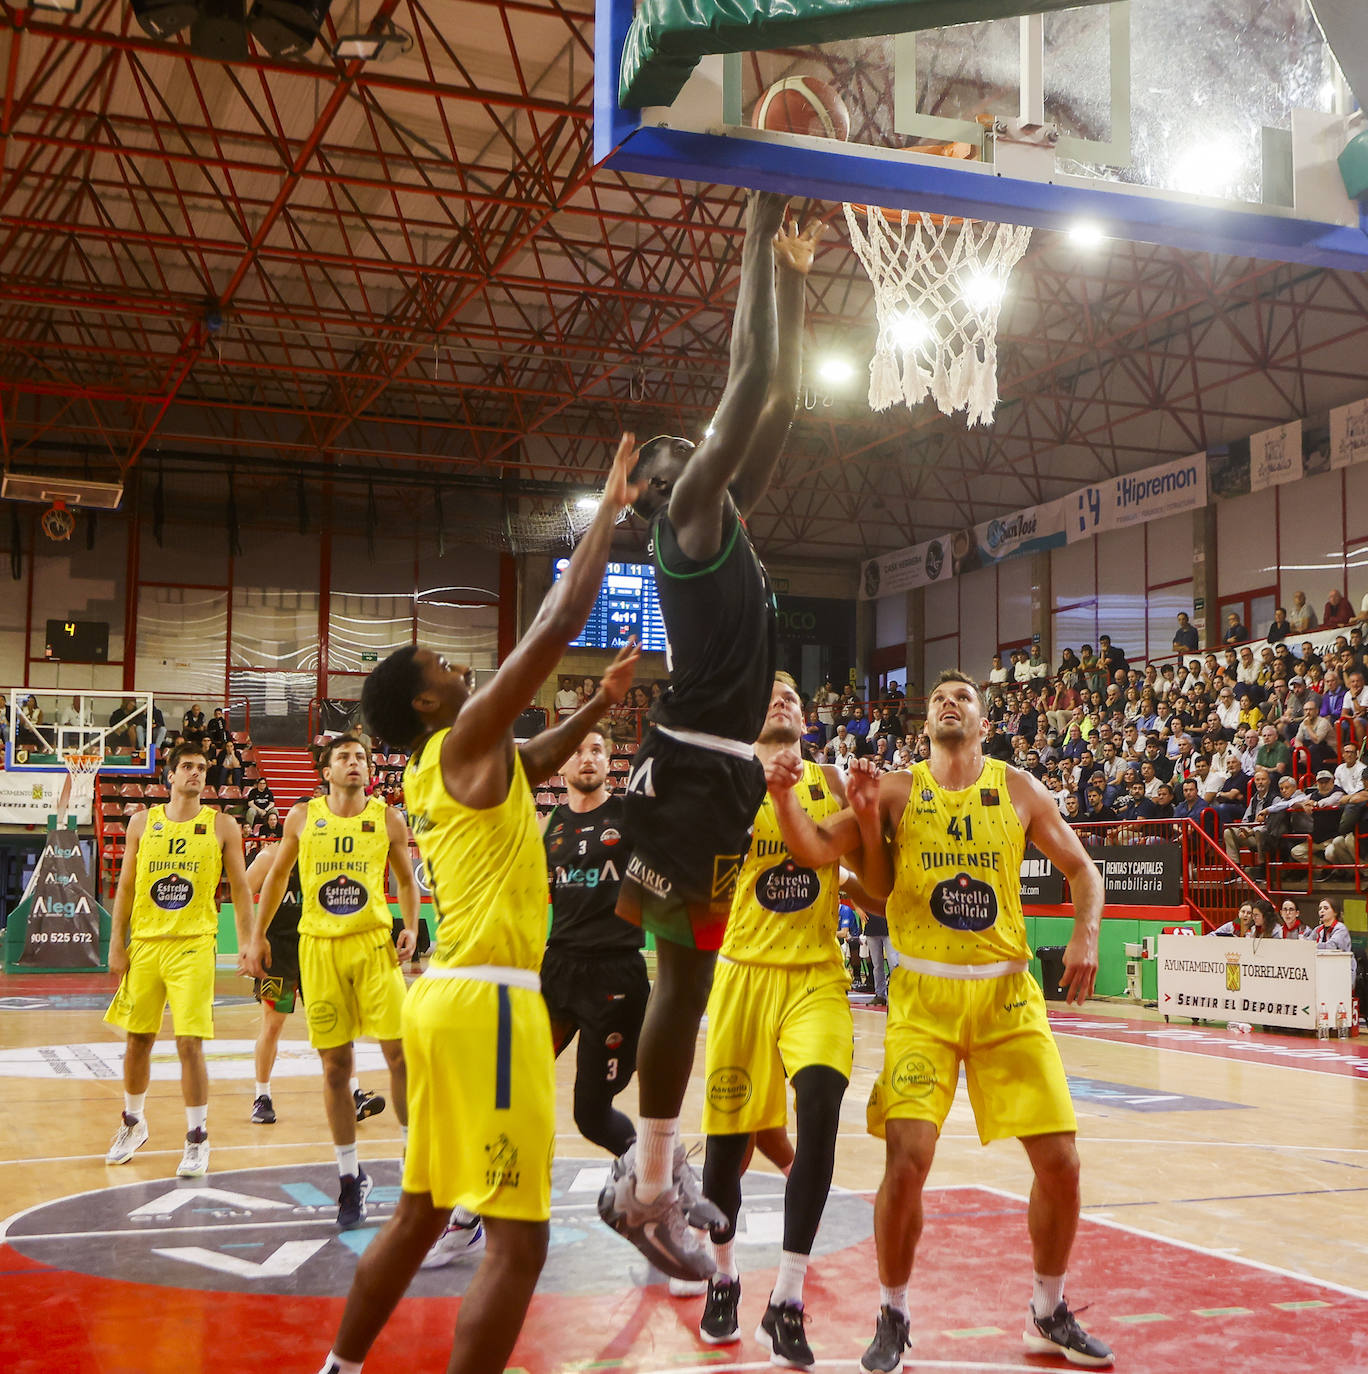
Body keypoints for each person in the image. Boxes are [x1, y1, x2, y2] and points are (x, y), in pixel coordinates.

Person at [311, 435, 641, 1374]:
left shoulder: (441, 764)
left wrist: (598, 710)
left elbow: (535, 761)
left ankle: (338, 1369)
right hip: (492, 1002)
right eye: (441, 666)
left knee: (422, 1214)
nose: (458, 666)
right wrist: (607, 511)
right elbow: (555, 622)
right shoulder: (458, 737)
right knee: (518, 1239)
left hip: (445, 1001)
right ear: (424, 703)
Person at [600, 193, 823, 1280]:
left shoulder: (722, 519)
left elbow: (772, 399)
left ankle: (648, 1176)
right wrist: (754, 220)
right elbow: (749, 388)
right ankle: (646, 1188)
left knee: (686, 984)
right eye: (685, 455)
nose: (705, 448)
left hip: (719, 771)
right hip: (690, 771)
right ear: (660, 488)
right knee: (682, 988)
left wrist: (788, 272)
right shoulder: (687, 516)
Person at [766, 670, 1111, 1371]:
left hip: (1007, 998)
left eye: (964, 698)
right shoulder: (895, 790)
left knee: (1063, 1164)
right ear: (925, 725)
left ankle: (1047, 1310)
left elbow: (1084, 870)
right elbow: (815, 848)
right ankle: (892, 1312)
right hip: (923, 998)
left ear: (985, 721)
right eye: (938, 700)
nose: (951, 704)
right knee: (908, 1162)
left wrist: (1087, 935)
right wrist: (781, 797)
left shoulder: (1017, 790)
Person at [691, 673, 850, 1366]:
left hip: (816, 973)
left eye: (790, 694)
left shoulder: (835, 783)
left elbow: (852, 863)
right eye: (767, 693)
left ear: (808, 718)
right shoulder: (722, 782)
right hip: (743, 974)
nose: (781, 698)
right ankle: (723, 1278)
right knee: (728, 1151)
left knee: (819, 1105)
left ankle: (787, 1299)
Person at [244, 733, 420, 1228]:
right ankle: (349, 1178)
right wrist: (257, 936)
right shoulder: (303, 817)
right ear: (325, 770)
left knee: (400, 1053)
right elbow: (276, 878)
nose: (355, 763)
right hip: (317, 947)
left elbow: (406, 879)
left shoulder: (387, 817)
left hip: (372, 946)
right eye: (344, 757)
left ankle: (411, 1165)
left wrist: (409, 925)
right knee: (335, 1068)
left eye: (361, 757)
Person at [104, 741, 253, 1176]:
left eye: (201, 767)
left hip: (194, 944)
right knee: (138, 1041)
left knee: (189, 1043)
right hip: (146, 944)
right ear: (169, 775)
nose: (194, 773)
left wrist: (246, 940)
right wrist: (117, 943)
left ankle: (197, 1137)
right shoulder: (140, 823)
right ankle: (133, 1123)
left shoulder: (223, 825)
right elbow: (126, 888)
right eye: (186, 766)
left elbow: (240, 889)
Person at [541, 727, 647, 1158]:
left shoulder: (633, 818)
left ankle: (655, 1166)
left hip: (616, 973)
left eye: (597, 750)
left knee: (591, 1115)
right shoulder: (546, 826)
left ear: (609, 763)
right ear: (561, 765)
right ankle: (475, 1208)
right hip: (558, 969)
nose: (587, 758)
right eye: (577, 751)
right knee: (508, 1083)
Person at [243, 820, 305, 1126]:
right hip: (278, 952)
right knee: (272, 1025)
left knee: (337, 1019)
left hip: (317, 947)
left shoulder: (326, 857)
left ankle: (353, 1091)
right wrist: (251, 939)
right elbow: (242, 892)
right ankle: (262, 1095)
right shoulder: (271, 857)